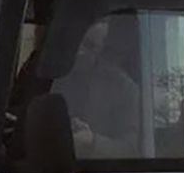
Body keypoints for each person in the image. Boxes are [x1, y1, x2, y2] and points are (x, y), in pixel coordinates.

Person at [58, 17, 141, 159]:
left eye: (89, 45)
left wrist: (92, 141)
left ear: (103, 47)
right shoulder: (45, 75)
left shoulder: (123, 88)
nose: (79, 51)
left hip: (96, 170)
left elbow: (131, 150)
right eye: (76, 42)